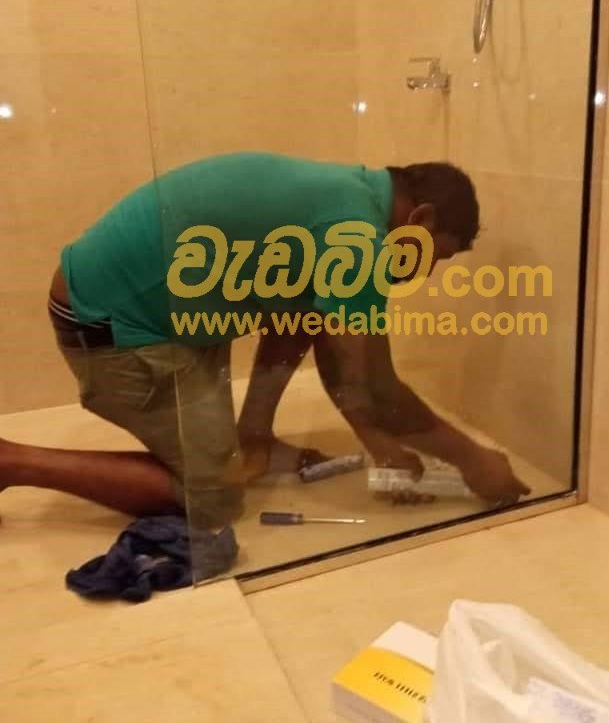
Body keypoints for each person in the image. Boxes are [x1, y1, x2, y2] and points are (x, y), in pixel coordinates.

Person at [0, 152, 530, 527]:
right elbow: (375, 386)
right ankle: (12, 461)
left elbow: (331, 346)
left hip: (146, 307)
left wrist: (375, 439)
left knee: (301, 308)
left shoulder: (351, 194)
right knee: (214, 499)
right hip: (113, 329)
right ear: (421, 218)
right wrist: (473, 461)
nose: (427, 272)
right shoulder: (359, 237)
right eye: (437, 255)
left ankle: (254, 437)